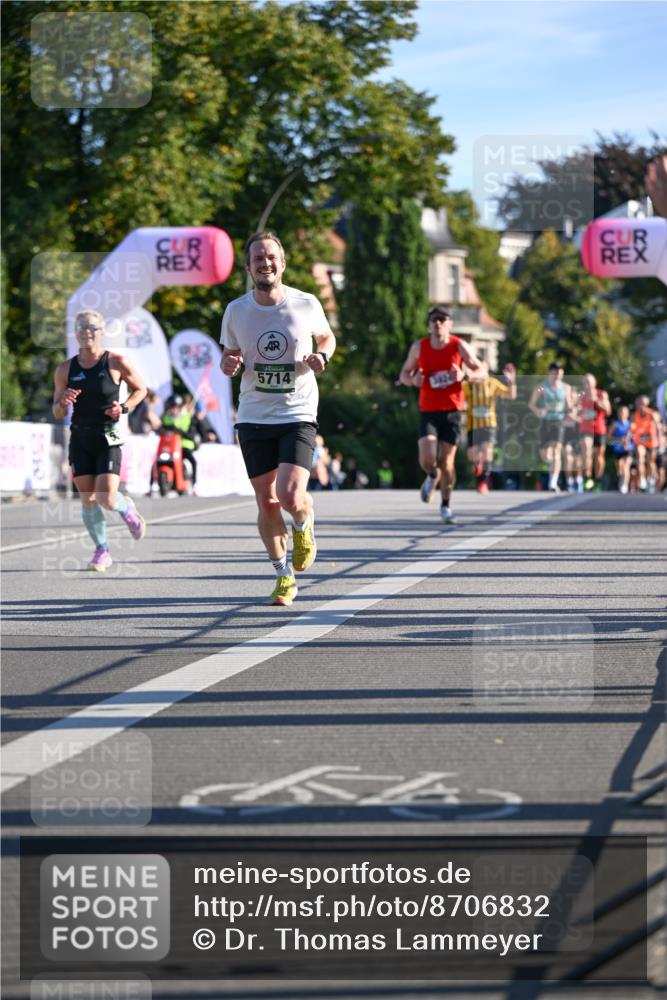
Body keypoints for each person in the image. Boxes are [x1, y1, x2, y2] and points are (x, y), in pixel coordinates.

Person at [220, 231, 335, 607]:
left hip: (298, 411)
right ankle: (283, 575)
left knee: (288, 494)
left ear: (282, 263)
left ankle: (303, 524)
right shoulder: (236, 310)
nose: (265, 264)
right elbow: (228, 358)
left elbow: (327, 338)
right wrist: (230, 364)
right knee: (266, 501)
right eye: (258, 259)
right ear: (249, 267)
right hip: (253, 414)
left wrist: (323, 357)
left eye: (271, 257)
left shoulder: (305, 303)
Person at [52, 310, 147, 572]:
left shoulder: (116, 362)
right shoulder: (65, 369)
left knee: (105, 497)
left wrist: (124, 408)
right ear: (76, 332)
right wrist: (63, 403)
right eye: (81, 327)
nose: (86, 331)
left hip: (109, 435)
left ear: (101, 331)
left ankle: (125, 507)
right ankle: (102, 550)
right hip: (80, 435)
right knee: (87, 499)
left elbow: (141, 389)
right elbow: (56, 411)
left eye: (92, 327)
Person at [399, 305, 481, 524]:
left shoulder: (459, 346)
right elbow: (404, 373)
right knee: (427, 458)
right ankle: (431, 475)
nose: (438, 323)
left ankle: (445, 505)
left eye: (443, 320)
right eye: (434, 320)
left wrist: (464, 375)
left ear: (450, 324)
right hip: (429, 410)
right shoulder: (419, 347)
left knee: (447, 462)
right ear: (429, 324)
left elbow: (481, 371)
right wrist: (413, 380)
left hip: (453, 411)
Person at [462, 360, 516, 493]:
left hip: (489, 423)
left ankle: (484, 482)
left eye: (482, 367)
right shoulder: (468, 384)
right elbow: (460, 400)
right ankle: (479, 471)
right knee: (472, 455)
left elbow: (511, 395)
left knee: (487, 451)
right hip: (472, 423)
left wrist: (511, 381)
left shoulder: (492, 383)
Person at [528, 362, 575, 493]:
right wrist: (538, 411)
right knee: (545, 453)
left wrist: (572, 410)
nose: (557, 374)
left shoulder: (566, 388)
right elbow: (531, 404)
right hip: (545, 421)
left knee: (557, 449)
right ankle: (550, 463)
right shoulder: (542, 387)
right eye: (555, 371)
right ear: (550, 372)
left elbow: (569, 405)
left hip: (559, 421)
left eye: (560, 372)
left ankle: (553, 482)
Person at [577, 373, 611, 491]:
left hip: (599, 429)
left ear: (594, 383)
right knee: (586, 451)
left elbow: (608, 411)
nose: (587, 384)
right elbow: (575, 411)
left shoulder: (601, 394)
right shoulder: (581, 395)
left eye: (589, 381)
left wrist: (597, 401)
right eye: (585, 381)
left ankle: (597, 479)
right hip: (585, 428)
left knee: (599, 456)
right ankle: (588, 478)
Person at [628, 395, 659, 492]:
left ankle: (651, 479)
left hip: (651, 442)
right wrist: (628, 437)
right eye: (639, 403)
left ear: (646, 404)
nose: (641, 405)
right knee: (640, 458)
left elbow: (658, 423)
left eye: (642, 403)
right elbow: (632, 427)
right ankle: (642, 479)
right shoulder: (634, 415)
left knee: (651, 462)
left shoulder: (651, 413)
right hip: (640, 441)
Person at [608, 405, 633, 494]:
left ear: (627, 414)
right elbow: (609, 437)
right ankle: (621, 480)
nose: (622, 414)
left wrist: (626, 440)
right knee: (620, 468)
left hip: (627, 448)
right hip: (617, 449)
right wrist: (618, 439)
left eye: (624, 412)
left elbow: (631, 435)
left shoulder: (630, 424)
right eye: (620, 412)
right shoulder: (615, 424)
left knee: (626, 466)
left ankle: (624, 485)